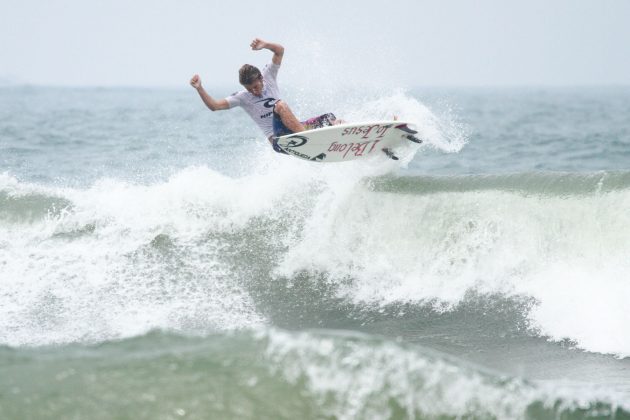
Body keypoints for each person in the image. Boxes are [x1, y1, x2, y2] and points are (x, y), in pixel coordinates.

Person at [190, 38, 337, 153]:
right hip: (280, 141)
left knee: (331, 119)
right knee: (280, 105)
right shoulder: (242, 97)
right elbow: (214, 106)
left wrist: (265, 45)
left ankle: (351, 143)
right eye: (249, 89)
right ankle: (307, 138)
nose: (253, 91)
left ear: (261, 78)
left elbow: (279, 51)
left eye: (255, 86)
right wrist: (199, 88)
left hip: (295, 131)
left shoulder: (269, 76)